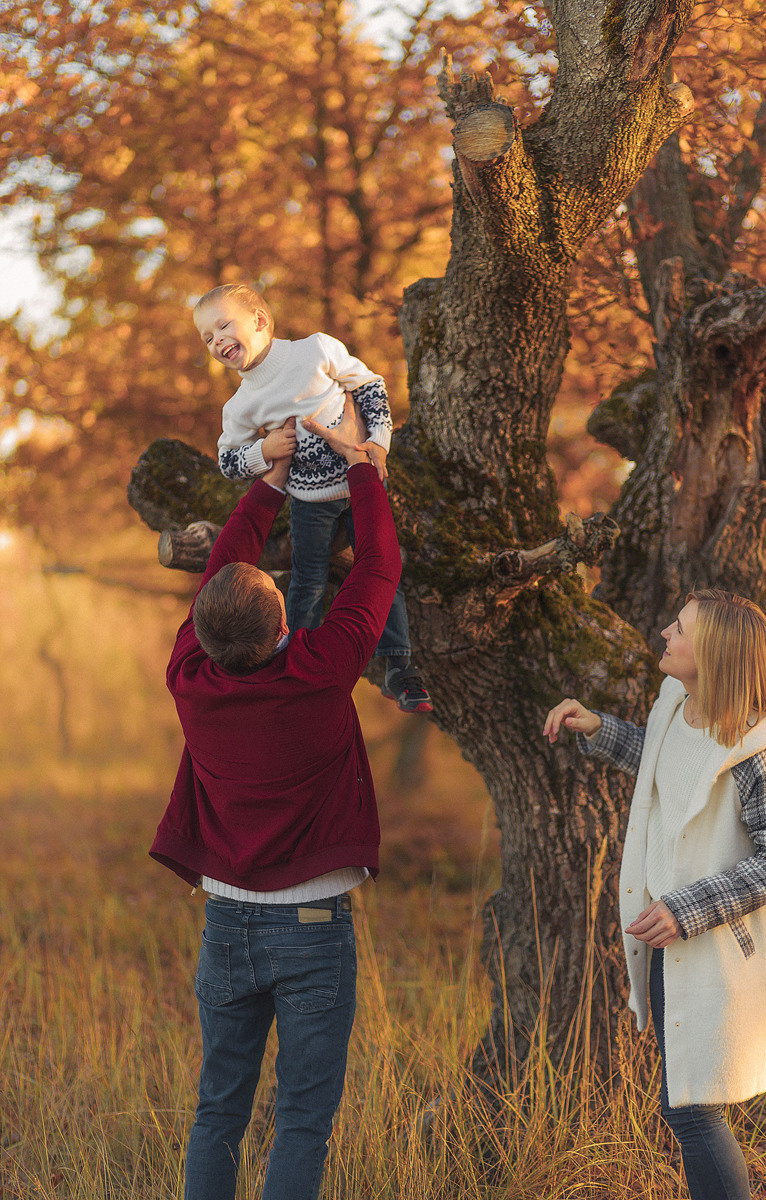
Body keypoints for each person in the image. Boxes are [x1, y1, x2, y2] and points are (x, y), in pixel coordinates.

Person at [150, 399, 402, 1200]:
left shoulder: (190, 676)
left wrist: (267, 485)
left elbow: (226, 567)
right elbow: (376, 570)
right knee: (300, 1117)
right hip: (312, 925)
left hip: (224, 920)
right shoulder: (321, 666)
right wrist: (363, 470)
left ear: (201, 623)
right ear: (285, 614)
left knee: (217, 1111)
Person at [543, 589, 766, 1200]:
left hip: (713, 947)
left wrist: (687, 911)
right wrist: (601, 729)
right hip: (668, 941)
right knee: (685, 1101)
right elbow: (663, 761)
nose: (663, 632)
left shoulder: (762, 753)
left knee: (691, 1106)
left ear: (710, 653)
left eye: (678, 628)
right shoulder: (675, 703)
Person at [192, 281, 432, 715]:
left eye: (224, 326)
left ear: (260, 320)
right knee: (307, 579)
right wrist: (263, 452)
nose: (217, 341)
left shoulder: (316, 351)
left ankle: (399, 667)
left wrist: (377, 443)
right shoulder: (242, 405)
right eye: (208, 338)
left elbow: (371, 385)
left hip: (359, 483)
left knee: (380, 567)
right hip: (308, 501)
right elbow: (228, 462)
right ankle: (293, 664)